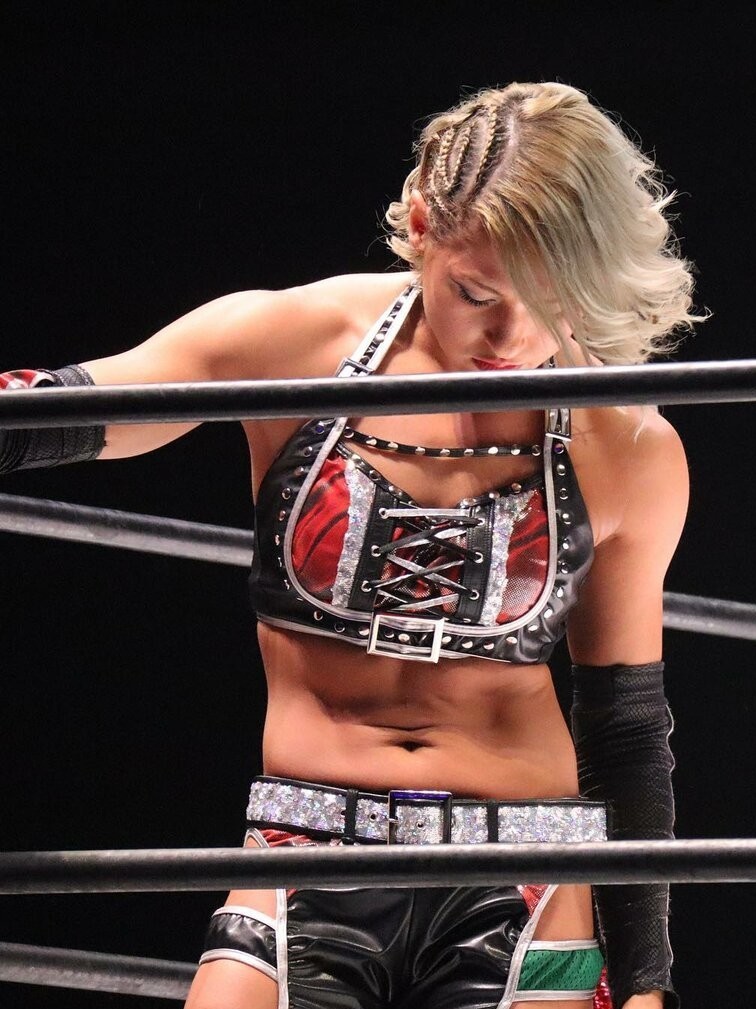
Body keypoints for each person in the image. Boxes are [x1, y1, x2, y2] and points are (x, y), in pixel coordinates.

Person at [0, 82, 700, 1009]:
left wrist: (648, 980)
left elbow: (625, 726)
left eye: (552, 299)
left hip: (529, 874)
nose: (513, 335)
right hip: (306, 842)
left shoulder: (625, 441)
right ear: (423, 226)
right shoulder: (296, 342)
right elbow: (86, 405)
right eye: (477, 292)